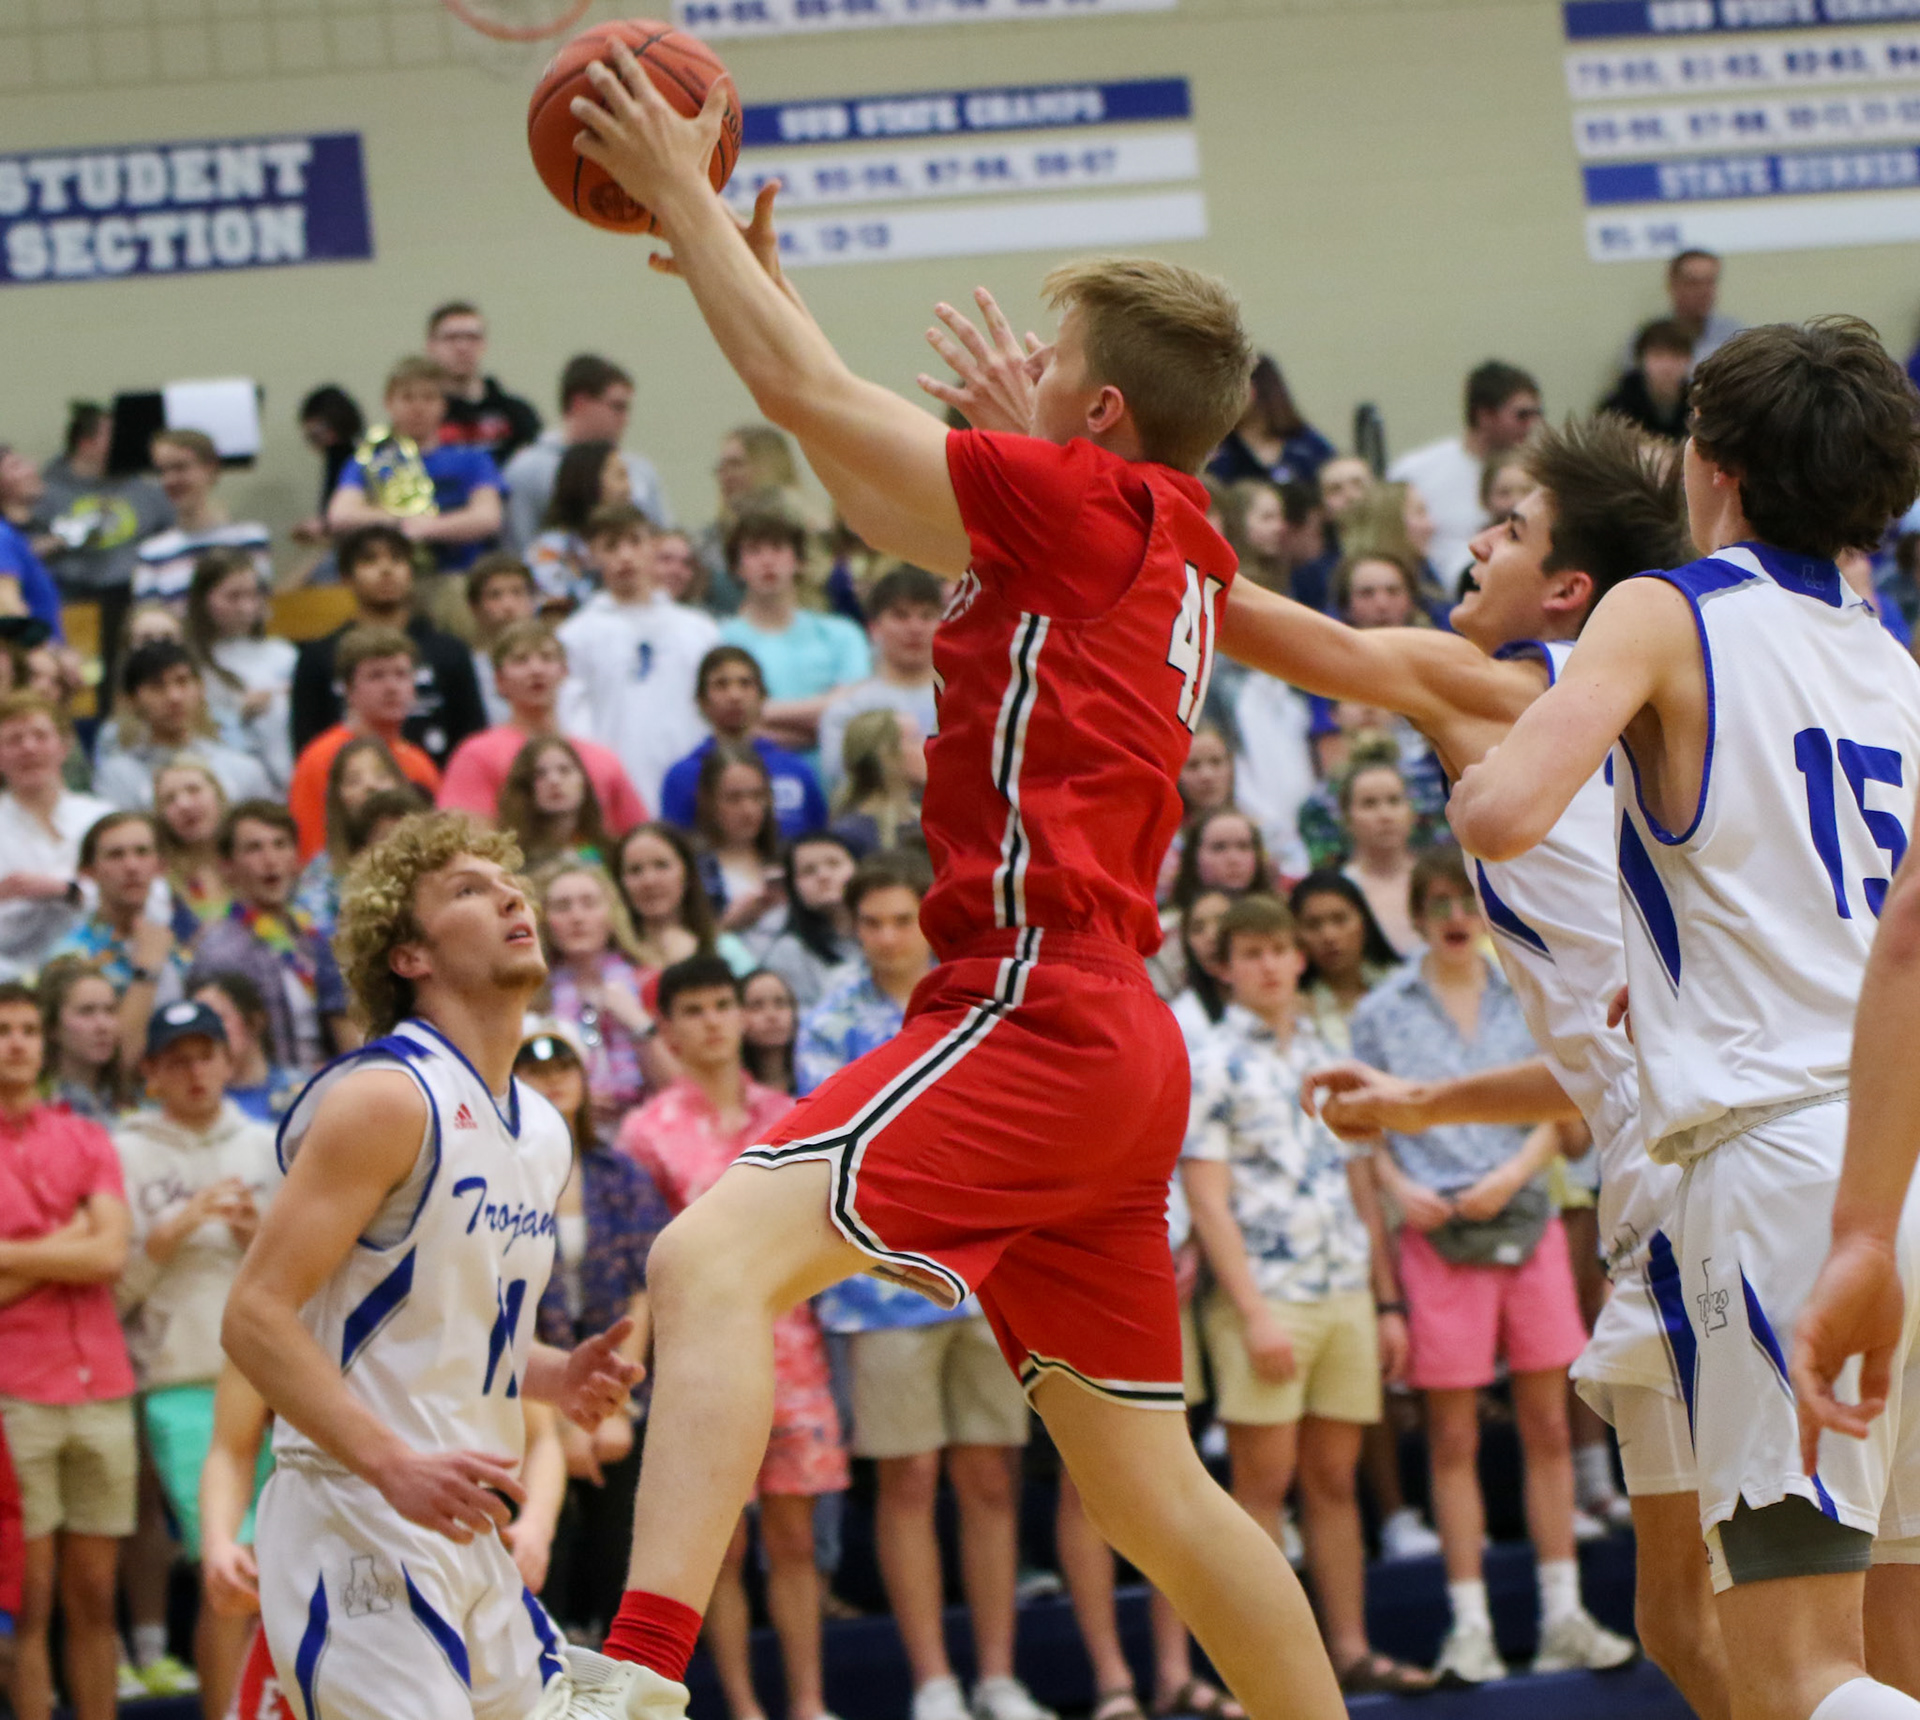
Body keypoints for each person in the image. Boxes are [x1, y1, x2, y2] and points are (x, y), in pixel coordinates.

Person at [556, 70, 1342, 1720]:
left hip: (1032, 1005)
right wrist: (750, 273)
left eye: (1049, 369)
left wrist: (684, 197)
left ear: (1103, 418)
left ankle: (622, 1690)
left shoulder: (1079, 505)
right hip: (1122, 1044)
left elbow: (804, 395)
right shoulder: (1165, 530)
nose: (1016, 382)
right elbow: (859, 473)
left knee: (708, 1266)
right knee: (1150, 1497)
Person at [1449, 319, 1920, 1720]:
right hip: (1900, 1157)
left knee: (1791, 1679)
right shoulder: (1899, 668)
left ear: (1710, 468)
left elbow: (1506, 806)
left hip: (1777, 1173)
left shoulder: (1664, 608)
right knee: (1891, 1659)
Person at [1207, 413, 1718, 1696]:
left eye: (1510, 525)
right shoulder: (1631, 715)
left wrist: (1095, 481)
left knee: (1775, 1609)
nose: (1474, 539)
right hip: (1665, 1150)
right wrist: (1431, 1098)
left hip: (1711, 1175)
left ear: (1567, 589)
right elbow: (1604, 1055)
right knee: (1681, 1613)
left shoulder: (1504, 682)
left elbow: (1277, 630)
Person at [220, 809, 641, 1720]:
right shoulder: (384, 1098)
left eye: (508, 883)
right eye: (468, 890)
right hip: (356, 1518)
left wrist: (557, 1376)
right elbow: (253, 1315)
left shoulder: (540, 1129)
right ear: (409, 955)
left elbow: (451, 1328)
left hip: (468, 1525)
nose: (508, 896)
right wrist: (390, 1464)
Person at [1344, 849, 1630, 1682]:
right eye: (1433, 904)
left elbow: (1568, 1098)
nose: (1451, 917)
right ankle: (1469, 1623)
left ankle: (1564, 1614)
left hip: (1529, 1215)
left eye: (1461, 900)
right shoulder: (1380, 1009)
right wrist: (1402, 1189)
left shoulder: (1523, 987)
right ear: (1416, 917)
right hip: (1435, 1236)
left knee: (1548, 1425)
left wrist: (1515, 1171)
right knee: (1453, 1438)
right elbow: (1363, 1137)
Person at [797, 855, 1055, 1720]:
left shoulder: (978, 997)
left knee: (991, 1480)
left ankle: (998, 1675)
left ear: (928, 917)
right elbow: (831, 1156)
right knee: (905, 1483)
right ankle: (934, 1683)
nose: (883, 938)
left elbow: (1011, 1132)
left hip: (986, 1280)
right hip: (875, 1289)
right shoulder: (831, 1019)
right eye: (867, 923)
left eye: (898, 920)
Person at [1181, 897, 1426, 1696]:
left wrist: (1386, 1301)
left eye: (1280, 950)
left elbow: (1362, 1185)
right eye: (1251, 953)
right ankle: (1266, 1675)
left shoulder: (1329, 1052)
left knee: (1334, 1480)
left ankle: (1346, 1649)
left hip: (1343, 1286)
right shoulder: (1213, 1061)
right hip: (1267, 1296)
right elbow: (1208, 1199)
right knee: (1261, 1487)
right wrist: (1251, 1313)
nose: (1270, 965)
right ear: (1225, 966)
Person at [619, 956, 847, 1720]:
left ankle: (809, 1703)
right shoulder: (645, 1133)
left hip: (795, 1352)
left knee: (794, 1537)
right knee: (715, 1546)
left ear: (745, 1017)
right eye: (694, 1009)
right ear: (670, 1029)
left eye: (725, 1004)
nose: (714, 1020)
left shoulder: (793, 1111)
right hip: (699, 1367)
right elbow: (645, 1263)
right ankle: (743, 1707)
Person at [112, 998, 279, 1719]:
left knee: (281, 1565)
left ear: (228, 1060)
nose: (194, 1071)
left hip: (277, 1381)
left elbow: (305, 1281)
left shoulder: (269, 1144)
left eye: (205, 1054)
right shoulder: (123, 1152)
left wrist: (255, 1236)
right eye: (176, 1060)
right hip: (181, 1381)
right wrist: (172, 1230)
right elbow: (112, 1292)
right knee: (232, 1567)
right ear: (150, 1073)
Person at [0, 980, 137, 1720]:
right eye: (2, 1030)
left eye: (26, 1029)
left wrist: (13, 1256)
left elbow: (112, 1255)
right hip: (15, 1392)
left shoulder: (83, 1136)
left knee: (96, 1605)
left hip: (102, 1387)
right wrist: (73, 1244)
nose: (15, 1042)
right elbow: (90, 1248)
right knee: (30, 1607)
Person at [520, 1025, 668, 1643]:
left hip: (617, 1389)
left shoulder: (619, 1173)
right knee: (543, 1569)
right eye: (534, 1068)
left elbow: (646, 1285)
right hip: (527, 1398)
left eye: (565, 1068)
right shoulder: (503, 1178)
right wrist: (556, 1417)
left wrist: (614, 1401)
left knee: (622, 1561)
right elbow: (503, 1303)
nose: (554, 1079)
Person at [556, 503, 719, 813]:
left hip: (693, 779)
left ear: (653, 547)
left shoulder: (699, 630)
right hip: (617, 783)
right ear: (592, 555)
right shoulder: (575, 636)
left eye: (635, 542)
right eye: (611, 546)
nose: (625, 556)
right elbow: (572, 718)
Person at [289, 523, 488, 768]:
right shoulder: (319, 657)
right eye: (369, 561)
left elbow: (472, 739)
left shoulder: (449, 651)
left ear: (411, 572)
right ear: (346, 578)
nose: (386, 570)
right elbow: (306, 745)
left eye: (397, 559)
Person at [185, 800, 356, 1075]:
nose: (270, 859)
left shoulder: (316, 936)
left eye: (280, 845)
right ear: (227, 867)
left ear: (296, 860)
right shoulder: (220, 952)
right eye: (254, 848)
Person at [438, 621, 647, 836]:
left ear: (564, 672)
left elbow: (636, 837)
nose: (536, 670)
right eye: (521, 660)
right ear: (499, 680)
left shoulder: (601, 759)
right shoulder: (476, 755)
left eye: (547, 658)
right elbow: (464, 839)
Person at [326, 356, 506, 575]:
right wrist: (401, 521)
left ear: (444, 405)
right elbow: (341, 515)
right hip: (390, 571)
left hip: (456, 573)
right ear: (389, 403)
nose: (418, 408)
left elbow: (488, 518)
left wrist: (429, 528)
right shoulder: (368, 460)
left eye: (429, 398)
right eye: (408, 398)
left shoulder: (474, 459)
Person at [717, 504, 870, 757]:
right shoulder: (721, 640)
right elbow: (723, 720)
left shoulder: (842, 634)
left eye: (777, 549)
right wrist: (820, 724)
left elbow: (855, 707)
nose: (767, 561)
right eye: (754, 551)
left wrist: (758, 713)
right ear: (737, 567)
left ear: (798, 561)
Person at [535, 859, 674, 1133]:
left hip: (648, 1134)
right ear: (545, 922)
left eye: (589, 903)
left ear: (612, 915)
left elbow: (679, 1087)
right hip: (566, 1136)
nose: (577, 917)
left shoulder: (650, 982)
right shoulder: (532, 997)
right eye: (562, 907)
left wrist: (638, 1023)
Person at [28, 402, 171, 666]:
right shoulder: (45, 491)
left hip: (132, 597)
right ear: (86, 443)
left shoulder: (142, 488)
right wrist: (60, 540)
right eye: (112, 436)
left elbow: (171, 533)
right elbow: (20, 552)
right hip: (72, 598)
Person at [288, 625, 443, 861]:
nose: (391, 687)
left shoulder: (419, 761)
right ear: (349, 689)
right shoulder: (322, 757)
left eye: (401, 674)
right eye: (376, 676)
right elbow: (311, 846)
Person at [1388, 362, 1543, 591]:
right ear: (1484, 415)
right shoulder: (1416, 471)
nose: (1532, 425)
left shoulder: (1539, 470)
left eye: (1536, 414)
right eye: (1522, 415)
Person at [49, 809, 188, 1057]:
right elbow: (109, 1060)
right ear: (88, 871)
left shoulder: (174, 944)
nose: (132, 866)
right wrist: (146, 970)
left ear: (160, 866)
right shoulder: (70, 958)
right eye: (115, 855)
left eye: (142, 852)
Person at [504, 354, 673, 555]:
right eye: (617, 407)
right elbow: (519, 544)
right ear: (579, 403)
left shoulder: (639, 469)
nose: (625, 419)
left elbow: (663, 537)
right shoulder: (529, 469)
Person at [0, 692, 115, 982]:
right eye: (14, 740)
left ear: (64, 746)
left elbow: (146, 897)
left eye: (40, 736)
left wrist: (66, 891)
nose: (29, 748)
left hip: (102, 969)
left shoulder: (101, 818)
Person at [658, 646, 826, 842]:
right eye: (721, 685)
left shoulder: (796, 770)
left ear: (762, 696)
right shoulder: (683, 775)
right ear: (701, 700)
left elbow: (818, 837)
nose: (735, 695)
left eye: (745, 684)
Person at [92, 641, 273, 812]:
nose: (174, 697)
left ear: (201, 688)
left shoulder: (243, 770)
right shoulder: (118, 776)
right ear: (132, 700)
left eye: (182, 681)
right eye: (157, 686)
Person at [816, 564, 944, 795]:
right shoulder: (848, 708)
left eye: (927, 616)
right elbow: (839, 782)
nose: (915, 628)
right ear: (874, 627)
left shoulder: (964, 703)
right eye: (900, 616)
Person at [185, 549, 298, 789]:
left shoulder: (283, 654)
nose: (246, 607)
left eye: (253, 595)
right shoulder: (194, 665)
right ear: (204, 599)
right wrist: (237, 713)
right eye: (233, 597)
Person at [296, 739, 426, 935]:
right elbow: (314, 938)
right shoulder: (322, 873)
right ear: (337, 798)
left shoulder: (430, 855)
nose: (370, 785)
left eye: (381, 775)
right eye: (354, 780)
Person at [133, 429, 271, 607]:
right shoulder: (152, 554)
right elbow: (151, 620)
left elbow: (259, 609)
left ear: (210, 469)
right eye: (162, 471)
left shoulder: (250, 539)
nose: (170, 480)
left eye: (180, 467)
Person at [612, 823, 756, 979]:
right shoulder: (609, 959)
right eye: (635, 870)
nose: (649, 881)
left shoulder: (724, 949)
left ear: (687, 874)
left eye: (661, 865)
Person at [695, 424, 809, 615]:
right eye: (721, 467)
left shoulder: (803, 526)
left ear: (769, 466)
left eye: (736, 465)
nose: (726, 475)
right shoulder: (709, 538)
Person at [1287, 872, 1397, 1055]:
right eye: (1313, 925)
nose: (1329, 936)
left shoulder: (1400, 986)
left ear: (1364, 922)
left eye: (1340, 920)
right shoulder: (1293, 1008)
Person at [423, 300, 543, 466]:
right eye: (451, 338)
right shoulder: (420, 416)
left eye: (472, 337)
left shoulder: (517, 414)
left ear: (484, 344)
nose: (462, 347)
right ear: (431, 346)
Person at [754, 834, 858, 1008]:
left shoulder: (885, 934)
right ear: (793, 887)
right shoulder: (786, 954)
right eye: (808, 870)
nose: (823, 876)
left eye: (834, 864)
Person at [691, 743, 786, 934]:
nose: (748, 810)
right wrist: (728, 925)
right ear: (709, 801)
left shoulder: (786, 859)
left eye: (757, 796)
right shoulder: (694, 868)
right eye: (733, 798)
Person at [527, 440, 633, 605]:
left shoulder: (635, 543)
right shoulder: (550, 550)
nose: (628, 488)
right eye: (620, 476)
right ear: (589, 480)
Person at [1206, 354, 1335, 489]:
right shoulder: (1221, 450)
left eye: (1233, 386)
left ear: (1260, 388)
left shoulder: (1306, 444)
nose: (1223, 397)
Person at [190, 970, 301, 1126]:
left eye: (218, 1018)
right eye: (197, 1023)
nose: (205, 1032)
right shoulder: (192, 1103)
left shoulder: (301, 1092)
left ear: (255, 1021)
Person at [1337, 755, 1420, 959]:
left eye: (1394, 801)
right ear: (1348, 818)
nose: (1385, 815)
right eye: (1369, 804)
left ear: (1411, 811)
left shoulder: (1437, 878)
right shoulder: (1341, 889)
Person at [502, 737, 620, 871]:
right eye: (540, 774)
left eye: (564, 770)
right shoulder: (512, 859)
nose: (554, 780)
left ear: (583, 781)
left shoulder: (611, 852)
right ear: (526, 788)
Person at [36, 957, 130, 1122]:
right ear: (52, 1027)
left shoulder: (130, 1095)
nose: (103, 1026)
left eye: (110, 1010)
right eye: (86, 1011)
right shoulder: (38, 1104)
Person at [1622, 249, 1742, 371]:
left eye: (1710, 282)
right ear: (1672, 285)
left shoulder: (1736, 337)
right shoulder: (1648, 339)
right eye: (1693, 282)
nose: (1704, 291)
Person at [830, 709, 926, 858]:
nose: (928, 746)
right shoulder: (852, 833)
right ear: (887, 756)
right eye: (915, 739)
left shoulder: (930, 817)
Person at [154, 757, 232, 930]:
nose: (184, 804)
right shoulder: (160, 879)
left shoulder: (251, 859)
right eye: (169, 799)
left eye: (194, 790)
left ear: (218, 795)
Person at [466, 554, 540, 723]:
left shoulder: (555, 660)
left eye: (517, 592)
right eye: (495, 595)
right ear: (475, 606)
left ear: (533, 600)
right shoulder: (471, 669)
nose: (508, 605)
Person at [1601, 319, 1694, 443]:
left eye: (1676, 356)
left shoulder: (1699, 406)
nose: (1667, 366)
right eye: (1658, 355)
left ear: (1689, 359)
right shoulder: (1615, 408)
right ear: (1640, 360)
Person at [740, 968, 800, 1093]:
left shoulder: (816, 1076)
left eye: (780, 1003)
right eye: (756, 1006)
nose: (771, 1015)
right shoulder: (736, 1091)